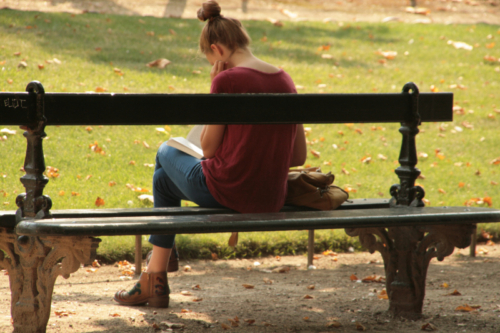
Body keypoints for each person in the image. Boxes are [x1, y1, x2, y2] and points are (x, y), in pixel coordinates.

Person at [114, 0, 307, 308]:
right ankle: (155, 278)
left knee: (165, 151)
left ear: (217, 50)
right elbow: (298, 156)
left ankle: (160, 261)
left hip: (229, 190)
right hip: (270, 195)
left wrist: (214, 87)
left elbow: (207, 150)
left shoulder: (226, 80)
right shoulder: (285, 81)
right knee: (163, 181)